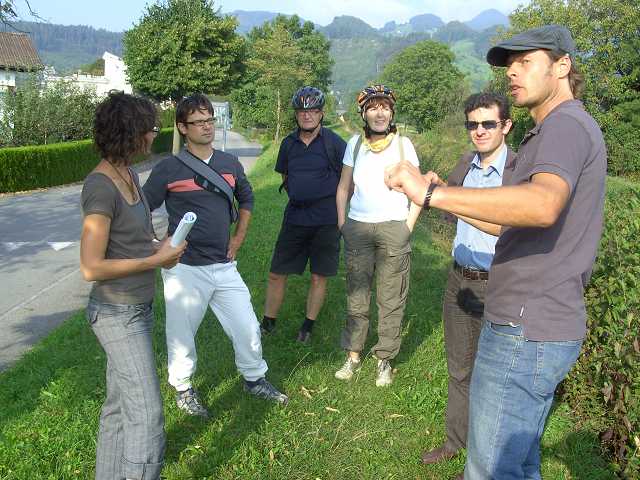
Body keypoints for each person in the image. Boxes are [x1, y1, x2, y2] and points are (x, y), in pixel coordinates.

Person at [385, 25, 606, 479]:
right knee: (517, 465)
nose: (512, 72)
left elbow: (542, 205)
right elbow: (509, 222)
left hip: (526, 326)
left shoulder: (564, 125)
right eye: (510, 64)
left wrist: (431, 195)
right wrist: (440, 195)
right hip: (531, 321)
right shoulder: (551, 130)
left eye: (526, 61)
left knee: (490, 469)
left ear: (562, 66)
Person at [143, 94, 288, 418]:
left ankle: (254, 379)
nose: (207, 127)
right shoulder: (168, 168)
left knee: (247, 326)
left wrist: (238, 238)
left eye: (210, 120)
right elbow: (141, 209)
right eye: (198, 122)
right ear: (182, 127)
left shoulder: (229, 163)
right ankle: (183, 389)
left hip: (224, 266)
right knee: (181, 336)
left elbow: (246, 199)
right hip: (184, 268)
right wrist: (155, 245)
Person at [80, 91, 186, 480]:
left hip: (138, 308)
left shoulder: (130, 174)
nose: (154, 134)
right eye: (150, 128)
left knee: (119, 407)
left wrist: (161, 247)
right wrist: (155, 261)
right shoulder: (100, 186)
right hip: (115, 313)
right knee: (147, 413)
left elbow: (134, 240)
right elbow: (91, 266)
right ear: (129, 132)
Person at [420, 93, 515, 470]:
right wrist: (438, 187)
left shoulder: (518, 172)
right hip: (459, 279)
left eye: (489, 123)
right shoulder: (465, 163)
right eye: (473, 124)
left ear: (506, 126)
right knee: (459, 368)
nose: (480, 131)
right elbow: (451, 208)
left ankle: (483, 459)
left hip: (500, 284)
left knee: (494, 378)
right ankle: (454, 441)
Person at [334, 85, 422, 387]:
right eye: (373, 107)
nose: (379, 113)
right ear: (364, 113)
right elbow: (344, 187)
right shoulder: (355, 144)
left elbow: (418, 189)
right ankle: (353, 355)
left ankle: (384, 358)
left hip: (394, 227)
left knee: (391, 297)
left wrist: (407, 227)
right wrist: (342, 222)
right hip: (358, 228)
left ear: (392, 113)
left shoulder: (404, 145)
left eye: (385, 107)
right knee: (357, 295)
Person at [261, 86, 347, 343]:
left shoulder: (334, 143)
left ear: (321, 114)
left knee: (319, 275)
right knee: (277, 272)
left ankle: (307, 327)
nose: (307, 115)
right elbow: (285, 177)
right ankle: (267, 323)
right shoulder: (288, 144)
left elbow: (348, 181)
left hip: (326, 220)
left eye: (313, 111)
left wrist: (338, 210)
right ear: (296, 114)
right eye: (301, 111)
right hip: (295, 218)